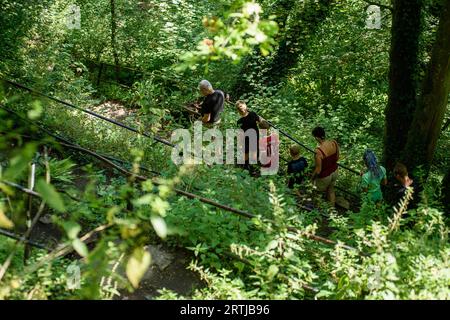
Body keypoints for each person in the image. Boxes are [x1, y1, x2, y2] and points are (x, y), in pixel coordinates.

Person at [311, 127, 340, 207]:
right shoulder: (334, 143)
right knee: (331, 190)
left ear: (316, 137)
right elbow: (337, 158)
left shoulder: (318, 151)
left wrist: (312, 178)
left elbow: (318, 170)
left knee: (316, 192)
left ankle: (316, 210)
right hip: (335, 171)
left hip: (325, 176)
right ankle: (332, 211)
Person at [236, 101, 261, 169]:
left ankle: (254, 168)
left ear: (245, 106)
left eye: (241, 106)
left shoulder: (252, 114)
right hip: (245, 139)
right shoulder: (239, 121)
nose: (240, 108)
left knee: (255, 152)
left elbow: (261, 122)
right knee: (246, 152)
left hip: (255, 137)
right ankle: (245, 167)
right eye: (238, 108)